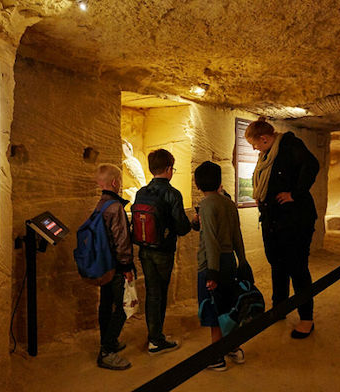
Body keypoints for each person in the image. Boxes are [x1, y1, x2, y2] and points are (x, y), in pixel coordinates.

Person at [245, 117, 319, 339]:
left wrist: (294, 194)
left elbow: (312, 165)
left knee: (297, 268)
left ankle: (306, 318)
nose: (254, 148)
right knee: (277, 265)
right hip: (273, 220)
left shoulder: (289, 146)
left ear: (265, 138)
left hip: (295, 220)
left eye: (254, 143)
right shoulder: (267, 155)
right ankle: (280, 308)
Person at [135, 149, 191, 354]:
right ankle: (156, 340)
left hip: (144, 250)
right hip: (163, 252)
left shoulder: (142, 192)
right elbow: (182, 228)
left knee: (152, 292)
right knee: (160, 293)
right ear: (169, 169)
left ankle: (154, 336)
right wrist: (192, 222)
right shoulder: (172, 193)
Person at [194, 161, 247, 371]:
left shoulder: (206, 205)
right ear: (219, 181)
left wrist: (211, 273)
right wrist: (242, 261)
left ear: (198, 184)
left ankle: (216, 357)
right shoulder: (228, 203)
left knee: (213, 310)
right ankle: (233, 347)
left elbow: (211, 242)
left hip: (212, 264)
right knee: (228, 307)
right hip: (229, 261)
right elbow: (237, 235)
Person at [93, 164, 135, 370]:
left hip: (104, 265)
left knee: (105, 305)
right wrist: (127, 266)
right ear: (115, 182)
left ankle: (107, 342)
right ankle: (106, 352)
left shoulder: (100, 204)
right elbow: (121, 239)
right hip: (117, 266)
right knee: (123, 307)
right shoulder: (116, 207)